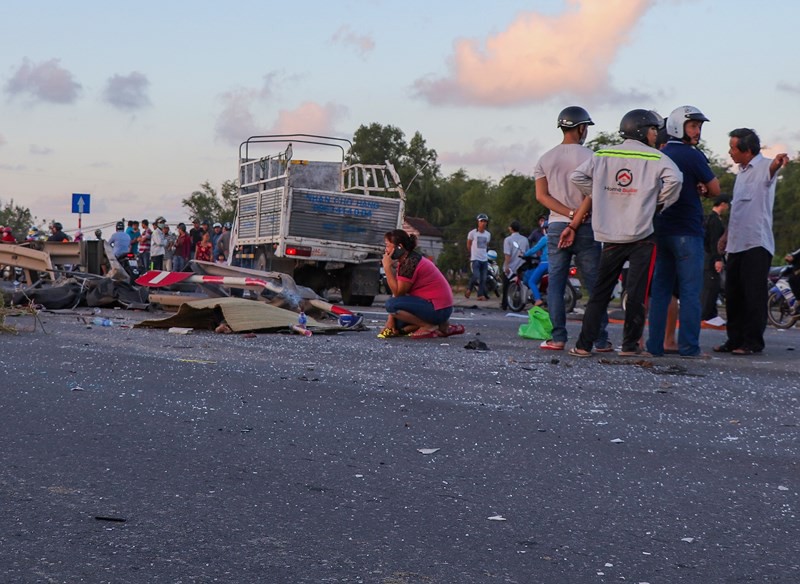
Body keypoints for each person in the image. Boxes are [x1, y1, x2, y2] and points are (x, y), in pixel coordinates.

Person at [564, 109, 682, 357]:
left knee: (600, 292)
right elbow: (676, 180)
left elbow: (577, 176)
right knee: (637, 294)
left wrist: (601, 195)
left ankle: (583, 345)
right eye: (653, 129)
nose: (655, 134)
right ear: (642, 130)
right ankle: (629, 347)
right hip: (642, 235)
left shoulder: (604, 153)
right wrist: (658, 203)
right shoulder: (655, 157)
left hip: (611, 235)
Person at [534, 105, 611, 352]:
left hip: (556, 226)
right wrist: (577, 217)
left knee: (556, 283)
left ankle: (557, 338)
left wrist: (566, 215)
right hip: (586, 227)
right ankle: (600, 339)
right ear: (581, 128)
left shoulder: (545, 159)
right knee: (594, 284)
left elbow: (541, 196)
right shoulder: (592, 157)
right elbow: (593, 191)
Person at [646, 106, 721, 358]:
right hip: (687, 232)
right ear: (679, 126)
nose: (697, 131)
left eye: (699, 126)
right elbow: (715, 189)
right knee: (690, 293)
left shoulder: (660, 154)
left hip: (661, 229)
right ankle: (689, 348)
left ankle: (654, 346)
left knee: (660, 292)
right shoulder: (692, 155)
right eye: (693, 126)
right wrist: (703, 188)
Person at [714, 129, 789, 355]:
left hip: (756, 244)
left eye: (733, 148)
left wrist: (778, 161)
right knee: (733, 294)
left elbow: (773, 168)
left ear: (747, 150)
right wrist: (726, 236)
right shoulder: (741, 173)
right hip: (736, 243)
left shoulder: (764, 166)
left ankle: (752, 342)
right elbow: (738, 209)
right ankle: (734, 339)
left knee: (753, 295)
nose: (730, 152)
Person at [379, 229, 462, 339]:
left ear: (399, 247)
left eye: (388, 246)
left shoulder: (410, 263)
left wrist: (387, 267)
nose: (386, 250)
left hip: (437, 309)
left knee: (391, 305)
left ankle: (428, 326)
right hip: (440, 308)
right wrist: (390, 323)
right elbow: (400, 296)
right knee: (398, 324)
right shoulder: (408, 259)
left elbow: (398, 294)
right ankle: (441, 327)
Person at [701, 194, 731, 324]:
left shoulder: (711, 219)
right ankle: (705, 316)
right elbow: (714, 242)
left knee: (713, 288)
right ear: (723, 204)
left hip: (707, 257)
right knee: (710, 287)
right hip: (711, 259)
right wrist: (717, 259)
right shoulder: (714, 221)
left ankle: (712, 315)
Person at [502, 220, 530, 310]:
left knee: (506, 286)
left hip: (511, 267)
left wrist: (506, 266)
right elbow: (527, 252)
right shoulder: (525, 239)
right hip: (521, 267)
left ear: (511, 228)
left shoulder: (508, 240)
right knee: (520, 286)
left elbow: (507, 254)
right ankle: (517, 303)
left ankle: (505, 304)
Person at [465, 213, 491, 300]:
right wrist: (472, 253)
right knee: (476, 275)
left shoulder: (488, 234)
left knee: (483, 278)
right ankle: (469, 289)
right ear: (478, 222)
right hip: (475, 258)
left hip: (484, 258)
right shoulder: (472, 233)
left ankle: (480, 295)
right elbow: (468, 244)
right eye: (481, 221)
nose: (483, 223)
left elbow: (486, 245)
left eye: (485, 221)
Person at [523, 224, 549, 306]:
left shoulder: (545, 238)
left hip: (545, 264)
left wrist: (525, 254)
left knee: (531, 281)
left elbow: (535, 249)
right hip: (556, 264)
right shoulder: (558, 238)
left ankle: (538, 299)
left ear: (545, 229)